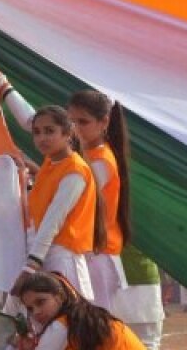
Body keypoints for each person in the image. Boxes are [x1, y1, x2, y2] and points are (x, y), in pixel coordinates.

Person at [19, 107, 98, 300]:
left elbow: (52, 220)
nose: (41, 138)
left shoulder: (75, 171)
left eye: (49, 131)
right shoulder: (51, 163)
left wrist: (31, 265)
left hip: (63, 260)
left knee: (72, 322)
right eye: (36, 132)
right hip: (43, 254)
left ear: (68, 133)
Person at [67, 91, 131, 310]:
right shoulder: (86, 155)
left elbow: (74, 197)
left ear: (104, 122)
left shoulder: (101, 159)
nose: (75, 128)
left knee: (96, 326)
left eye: (82, 122)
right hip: (89, 253)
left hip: (98, 255)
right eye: (71, 121)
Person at [10, 272, 145, 350]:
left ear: (60, 296)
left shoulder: (61, 325)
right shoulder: (78, 316)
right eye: (30, 308)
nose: (36, 312)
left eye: (41, 302)